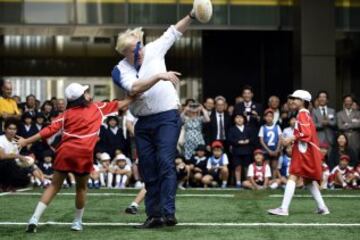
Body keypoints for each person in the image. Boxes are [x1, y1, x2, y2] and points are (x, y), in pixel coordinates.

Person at [111, 9, 197, 228]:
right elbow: (135, 88)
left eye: (139, 46)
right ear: (124, 53)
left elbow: (174, 32)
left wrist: (192, 15)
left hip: (167, 117)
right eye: (133, 50)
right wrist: (159, 76)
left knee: (165, 162)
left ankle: (168, 213)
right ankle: (154, 215)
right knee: (148, 168)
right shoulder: (120, 70)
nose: (138, 51)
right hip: (143, 122)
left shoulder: (153, 50)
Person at [16, 83, 133, 233]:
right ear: (82, 97)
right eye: (85, 91)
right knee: (81, 188)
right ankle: (77, 222)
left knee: (53, 186)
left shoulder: (66, 113)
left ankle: (34, 219)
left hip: (65, 152)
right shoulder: (97, 107)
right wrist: (138, 93)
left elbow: (48, 130)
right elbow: (124, 103)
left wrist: (26, 141)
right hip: (83, 155)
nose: (88, 93)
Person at [268, 90, 329, 216]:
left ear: (302, 102)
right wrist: (291, 141)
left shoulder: (302, 114)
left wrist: (290, 139)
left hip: (304, 150)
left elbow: (306, 134)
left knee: (293, 175)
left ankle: (284, 209)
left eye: (296, 99)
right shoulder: (304, 114)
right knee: (307, 180)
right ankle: (322, 207)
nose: (292, 101)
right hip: (306, 150)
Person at [0, 118, 31, 191]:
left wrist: (28, 163)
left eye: (14, 129)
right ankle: (4, 184)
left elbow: (17, 160)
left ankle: (8, 184)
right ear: (5, 129)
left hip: (10, 168)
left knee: (26, 178)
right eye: (10, 129)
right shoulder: (1, 139)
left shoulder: (15, 143)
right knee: (9, 162)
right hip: (2, 166)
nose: (12, 131)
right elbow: (2, 156)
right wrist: (18, 156)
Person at [228, 114, 253, 188]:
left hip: (247, 150)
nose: (239, 119)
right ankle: (238, 182)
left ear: (244, 119)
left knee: (247, 167)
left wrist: (248, 141)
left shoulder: (248, 128)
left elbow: (252, 138)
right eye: (237, 117)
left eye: (241, 118)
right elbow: (230, 139)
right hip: (237, 150)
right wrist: (238, 142)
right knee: (237, 166)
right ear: (234, 119)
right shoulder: (232, 129)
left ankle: (247, 181)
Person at [258, 108, 282, 174]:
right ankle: (267, 181)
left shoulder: (277, 127)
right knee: (267, 167)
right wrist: (268, 151)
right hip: (266, 150)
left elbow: (280, 139)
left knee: (274, 166)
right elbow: (261, 140)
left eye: (270, 116)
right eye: (267, 116)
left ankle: (273, 181)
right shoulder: (262, 127)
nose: (269, 118)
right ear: (264, 117)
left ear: (273, 117)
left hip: (275, 149)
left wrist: (277, 149)